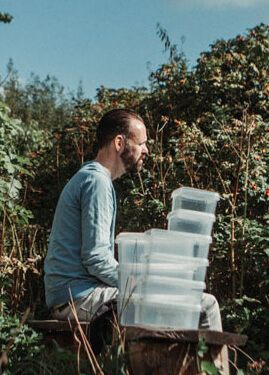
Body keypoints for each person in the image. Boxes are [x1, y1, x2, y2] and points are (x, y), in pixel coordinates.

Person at [44, 108, 222, 331]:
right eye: (141, 143)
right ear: (119, 143)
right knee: (205, 305)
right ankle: (210, 367)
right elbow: (96, 258)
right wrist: (141, 284)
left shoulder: (91, 178)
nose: (146, 150)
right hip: (79, 298)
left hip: (73, 295)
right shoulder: (96, 181)